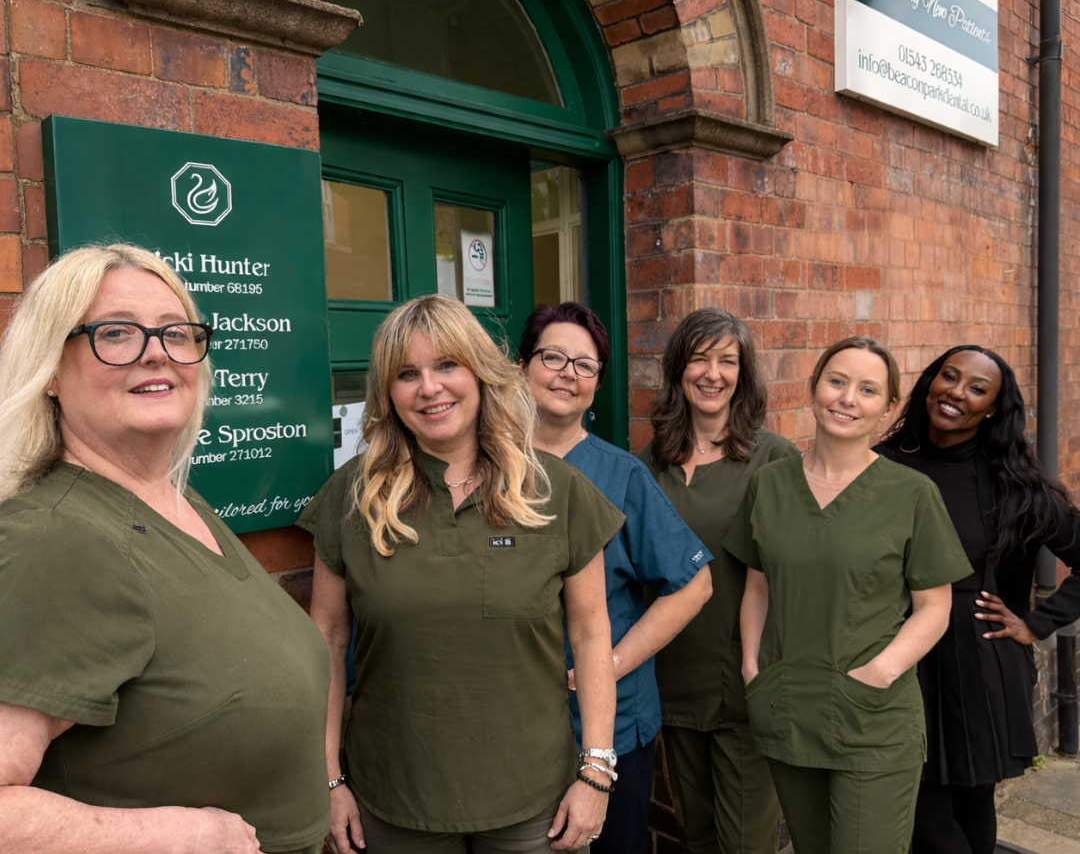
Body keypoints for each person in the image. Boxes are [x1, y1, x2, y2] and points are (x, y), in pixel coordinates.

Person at [0, 244, 331, 854]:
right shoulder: (55, 537)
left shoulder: (177, 497)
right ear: (49, 369)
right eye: (116, 333)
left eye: (175, 332)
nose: (157, 351)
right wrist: (177, 835)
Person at [301, 294, 624, 854]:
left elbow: (592, 633)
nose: (429, 388)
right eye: (407, 373)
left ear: (480, 372)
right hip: (394, 799)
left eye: (447, 365)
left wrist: (596, 771)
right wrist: (328, 779)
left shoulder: (555, 489)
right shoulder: (351, 496)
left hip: (534, 803)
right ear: (387, 393)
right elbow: (326, 640)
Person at [727, 336, 973, 854]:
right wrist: (753, 665)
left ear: (887, 408)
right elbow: (757, 586)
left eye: (867, 390)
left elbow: (935, 607)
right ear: (813, 388)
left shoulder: (911, 494)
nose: (847, 398)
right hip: (787, 707)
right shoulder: (768, 484)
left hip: (874, 718)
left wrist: (880, 672)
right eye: (837, 382)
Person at [519, 302, 714, 854]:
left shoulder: (621, 475)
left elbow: (695, 583)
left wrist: (610, 662)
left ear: (597, 384)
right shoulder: (489, 468)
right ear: (521, 367)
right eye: (552, 357)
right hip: (513, 725)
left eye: (585, 365)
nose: (568, 374)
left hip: (608, 728)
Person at [876, 345, 1080, 854]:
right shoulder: (879, 465)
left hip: (977, 661)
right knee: (921, 813)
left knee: (972, 807)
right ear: (930, 382)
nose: (955, 393)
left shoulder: (1014, 484)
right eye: (949, 376)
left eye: (976, 388)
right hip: (900, 658)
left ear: (992, 409)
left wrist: (1037, 623)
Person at [638, 308, 797, 854]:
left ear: (743, 373)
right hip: (675, 682)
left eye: (727, 361)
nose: (712, 373)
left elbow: (801, 570)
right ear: (678, 369)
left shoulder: (773, 459)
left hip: (748, 687)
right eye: (699, 359)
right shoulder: (650, 465)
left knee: (746, 843)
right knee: (698, 836)